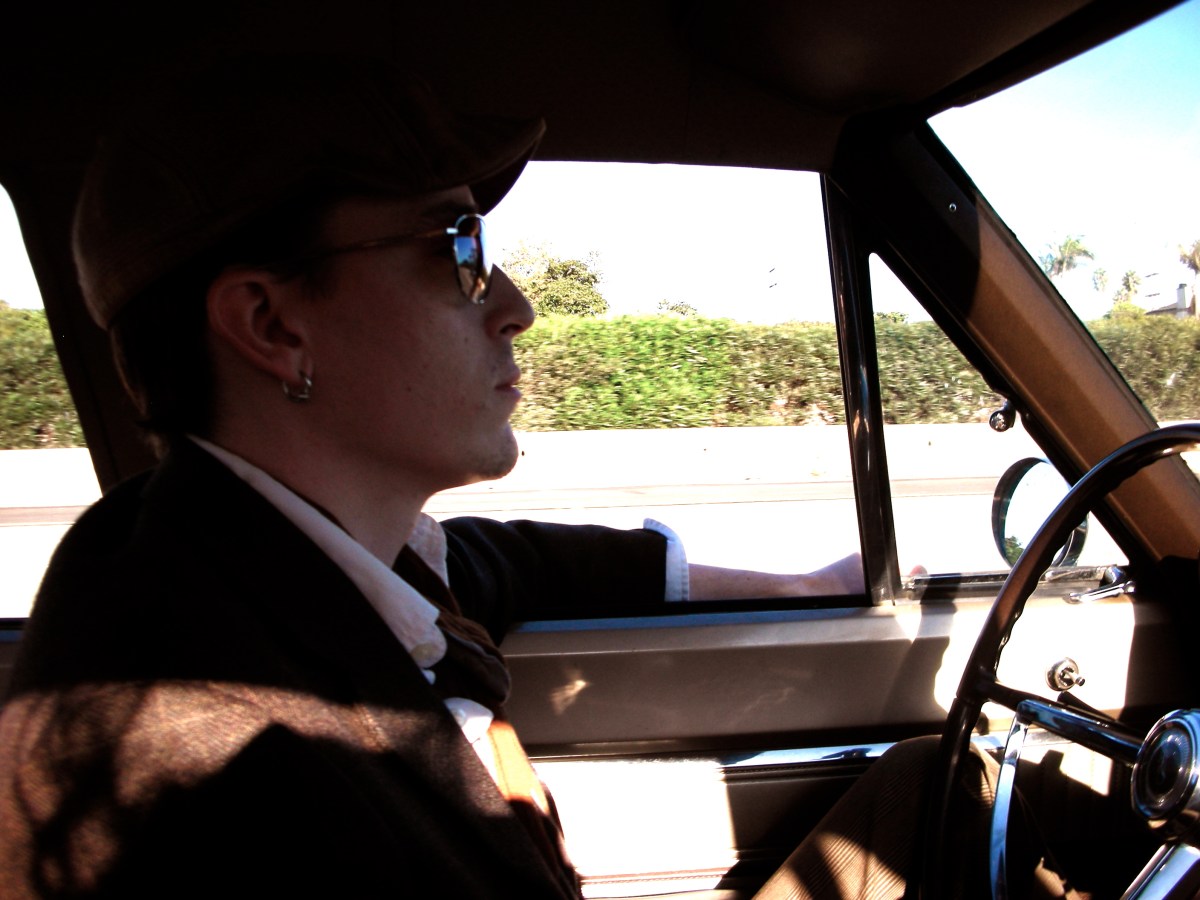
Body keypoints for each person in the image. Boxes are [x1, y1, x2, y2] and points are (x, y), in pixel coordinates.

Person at [0, 55, 1037, 900]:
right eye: (456, 247)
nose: (515, 305)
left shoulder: (232, 545)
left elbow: (507, 562)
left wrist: (802, 586)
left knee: (934, 787)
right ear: (272, 325)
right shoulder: (223, 780)